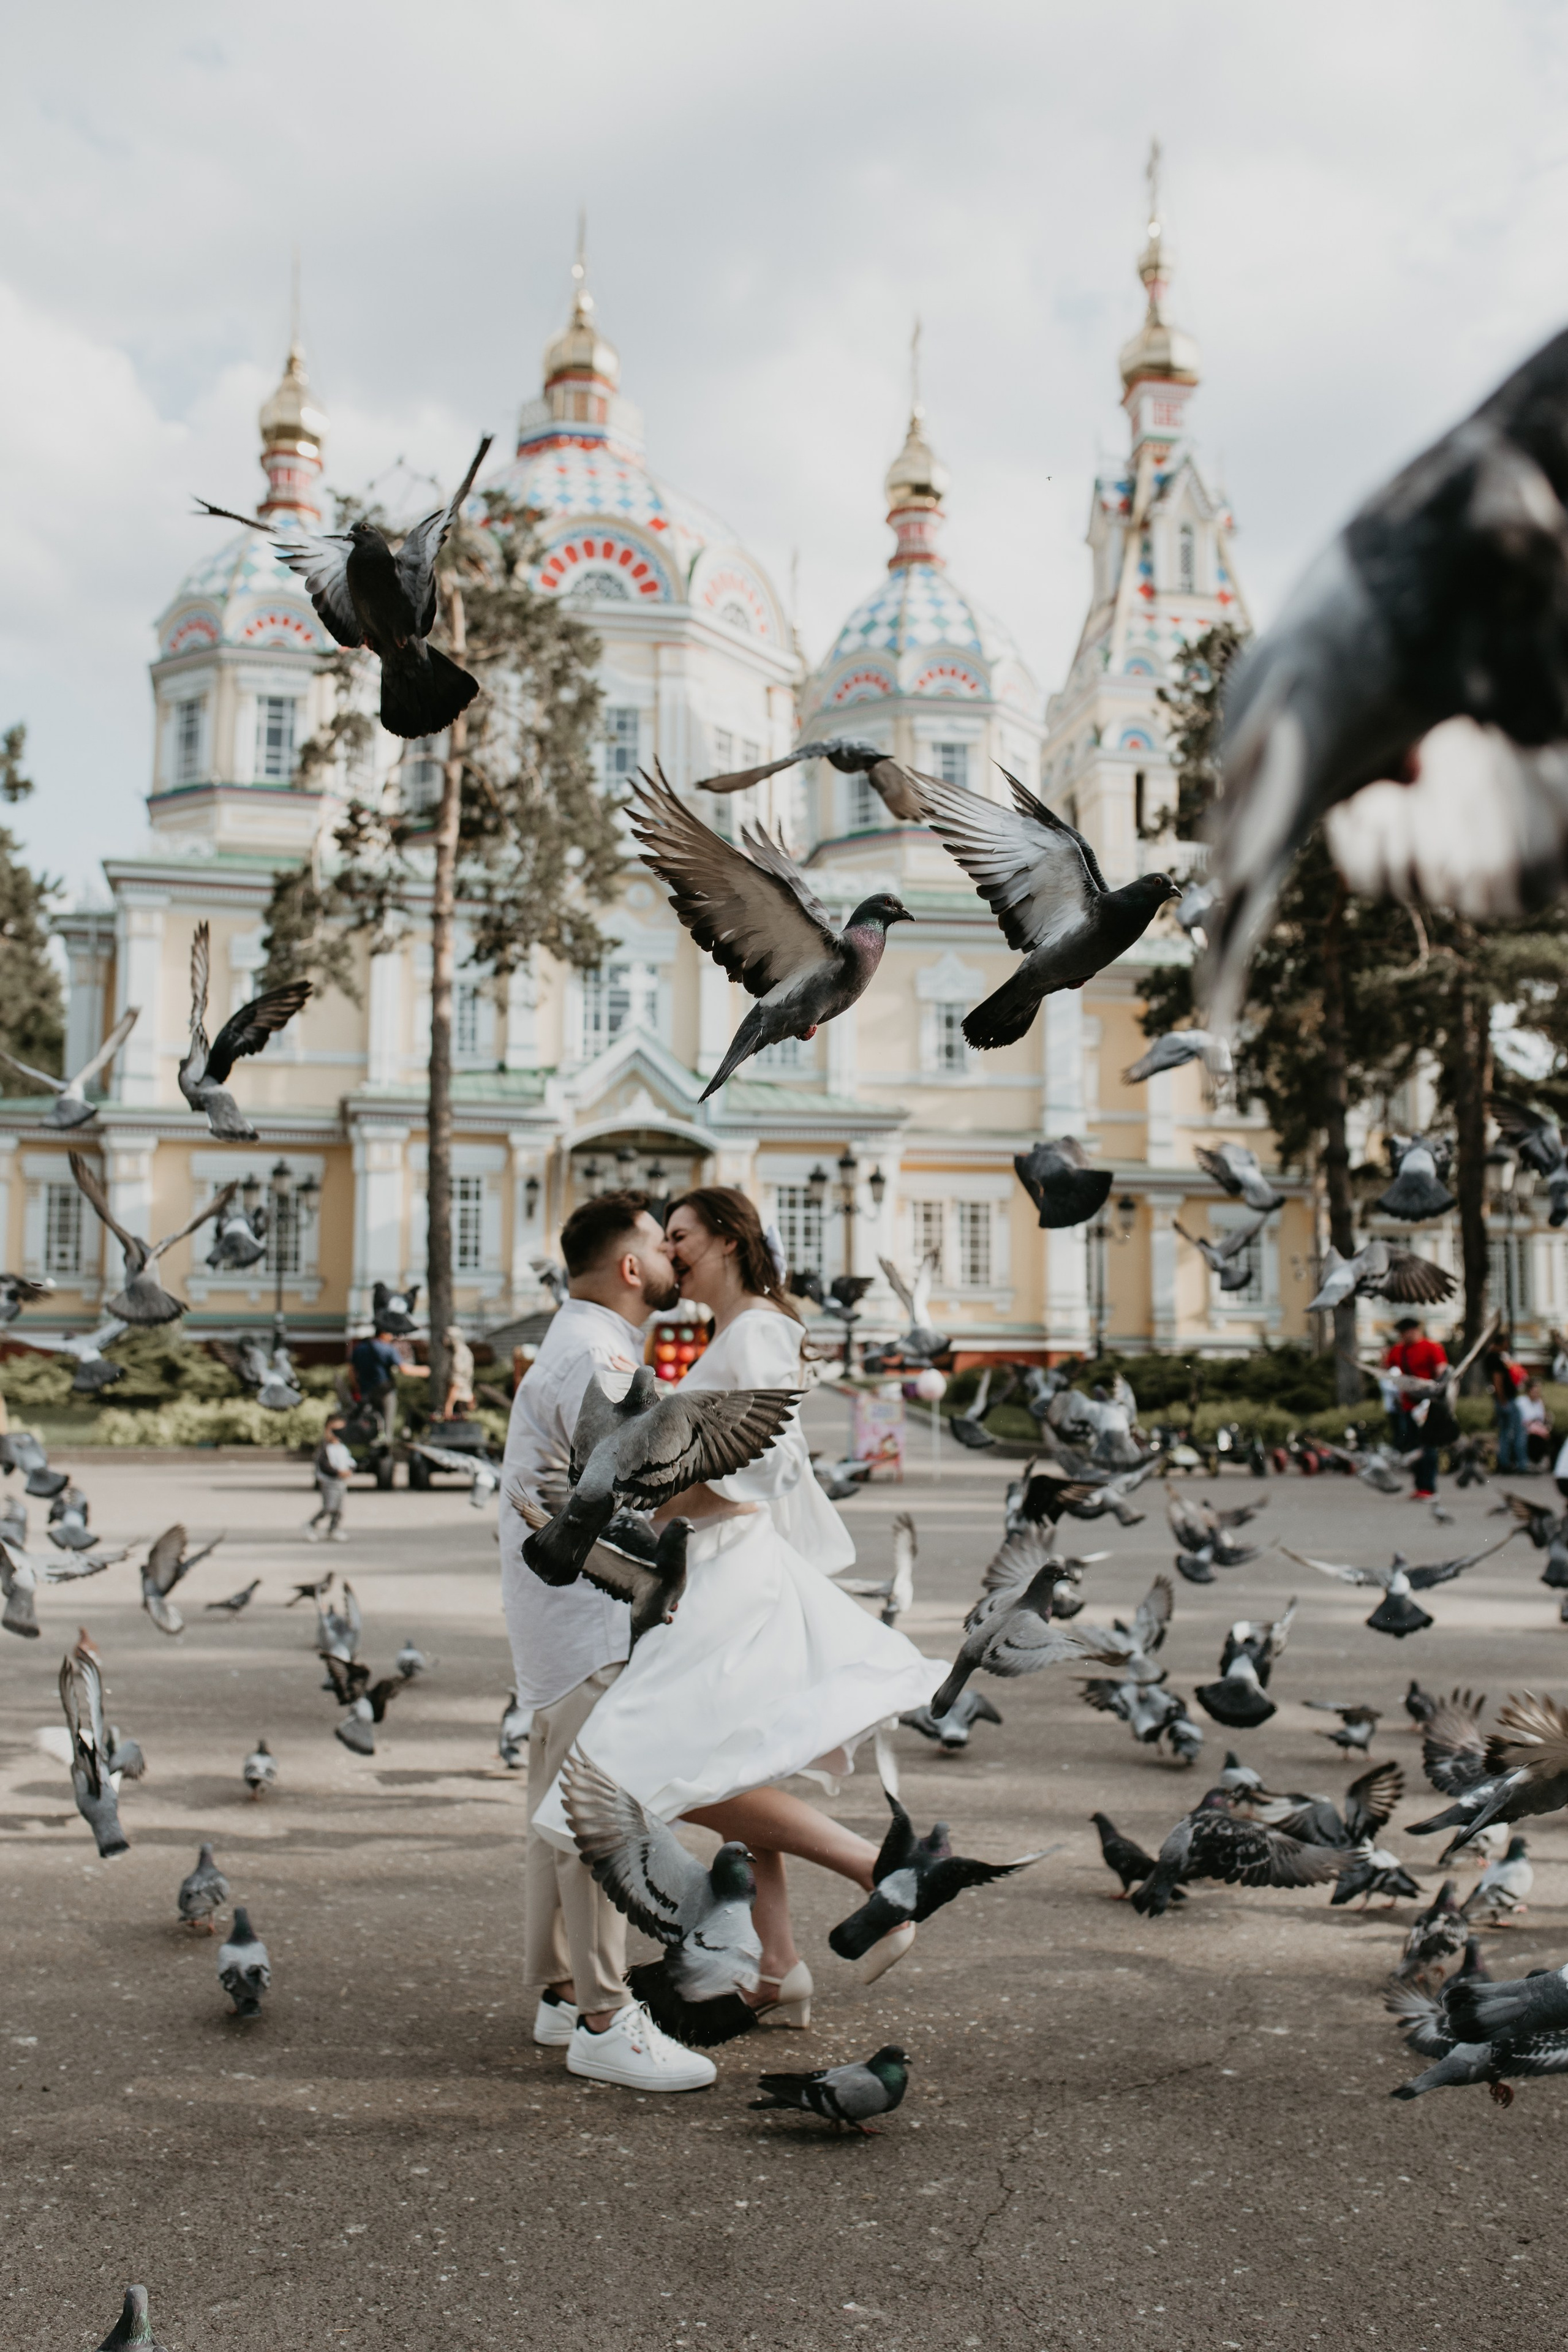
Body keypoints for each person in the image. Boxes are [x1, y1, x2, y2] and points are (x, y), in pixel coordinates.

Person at [532, 1185, 946, 2018]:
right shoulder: (744, 1331)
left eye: (680, 1236)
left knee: (643, 1774)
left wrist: (654, 1501)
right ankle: (778, 1969)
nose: (670, 1252)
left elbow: (770, 1468)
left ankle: (881, 1872)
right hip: (718, 1567)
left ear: (723, 1238)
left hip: (721, 1574)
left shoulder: (754, 1332)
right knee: (729, 1761)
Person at [499, 1188, 715, 2094]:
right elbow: (652, 1483)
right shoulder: (601, 1355)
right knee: (597, 1820)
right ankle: (604, 2016)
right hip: (588, 1614)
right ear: (631, 1269)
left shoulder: (576, 1341)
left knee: (558, 1811)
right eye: (661, 1249)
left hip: (556, 1619)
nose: (674, 1259)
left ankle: (558, 1994)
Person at [1381, 1317, 1449, 1499]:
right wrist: (1383, 1357)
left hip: (1428, 1407)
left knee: (1428, 1447)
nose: (1403, 1336)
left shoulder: (1432, 1347)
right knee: (1413, 1448)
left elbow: (1442, 1372)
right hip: (1409, 1406)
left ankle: (1429, 1487)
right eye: (1401, 1333)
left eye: (1405, 1332)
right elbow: (1387, 1372)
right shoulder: (1398, 1350)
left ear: (1415, 1330)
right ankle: (1419, 1486)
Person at [352, 1317, 404, 1443]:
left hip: (366, 1391)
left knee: (369, 1420)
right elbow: (404, 1368)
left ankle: (369, 1443)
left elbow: (352, 1371)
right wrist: (427, 1370)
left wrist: (357, 1386)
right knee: (387, 1423)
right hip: (385, 1390)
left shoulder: (360, 1348)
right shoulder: (388, 1349)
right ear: (384, 1333)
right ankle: (386, 1446)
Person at [307, 1414, 354, 1542]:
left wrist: (350, 1469)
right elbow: (323, 1465)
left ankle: (333, 1529)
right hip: (329, 1482)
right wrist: (338, 1472)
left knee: (339, 1509)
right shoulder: (325, 1448)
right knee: (329, 1507)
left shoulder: (342, 1447)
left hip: (340, 1482)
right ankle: (311, 1524)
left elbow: (349, 1461)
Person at [1487, 1342, 1529, 1474]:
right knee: (1518, 1431)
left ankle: (1505, 1463)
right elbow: (1497, 1380)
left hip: (1504, 1400)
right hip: (1507, 1401)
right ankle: (1521, 1464)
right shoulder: (1497, 1359)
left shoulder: (1496, 1357)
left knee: (1505, 1433)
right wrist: (1503, 1400)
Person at [442, 1324, 476, 1422]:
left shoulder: (460, 1354)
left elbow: (457, 1381)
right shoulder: (463, 1352)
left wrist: (449, 1405)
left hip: (460, 1400)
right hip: (462, 1398)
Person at [1521, 1378, 1553, 1466]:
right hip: (1526, 1429)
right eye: (1534, 1392)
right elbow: (1524, 1419)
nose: (1536, 1394)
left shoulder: (1539, 1402)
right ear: (1529, 1391)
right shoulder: (1522, 1402)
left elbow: (1542, 1418)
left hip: (1538, 1428)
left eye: (1538, 1392)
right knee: (1536, 1438)